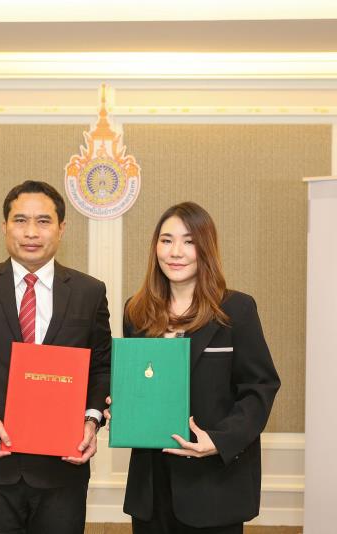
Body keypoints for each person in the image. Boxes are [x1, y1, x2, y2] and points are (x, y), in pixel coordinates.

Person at [0, 180, 111, 534]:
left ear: (61, 228)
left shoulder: (89, 291)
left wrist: (91, 421)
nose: (31, 232)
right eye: (20, 220)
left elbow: (102, 367)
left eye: (43, 221)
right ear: (4, 226)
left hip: (63, 466)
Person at [106, 201, 280, 533]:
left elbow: (260, 388)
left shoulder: (236, 310)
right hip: (152, 487)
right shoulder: (136, 311)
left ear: (206, 248)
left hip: (213, 484)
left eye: (189, 241)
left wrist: (219, 440)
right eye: (166, 240)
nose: (176, 252)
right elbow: (141, 381)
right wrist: (124, 405)